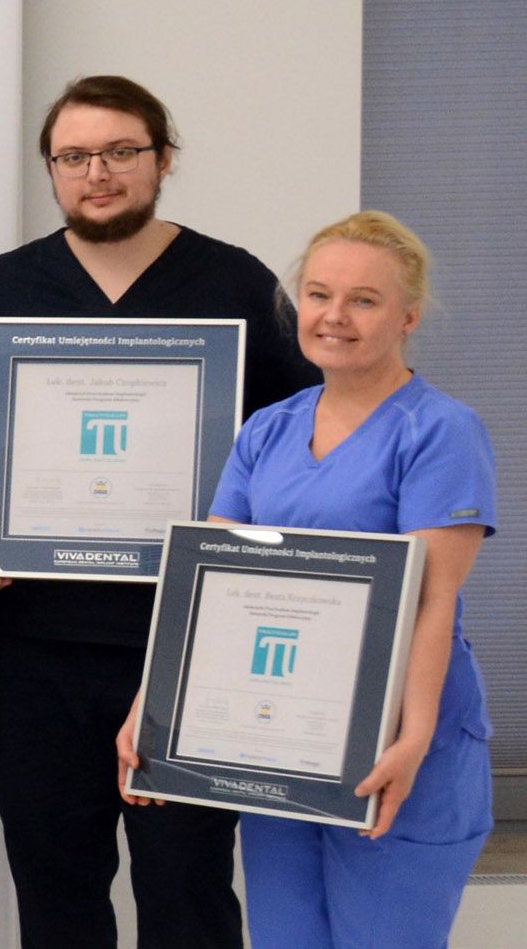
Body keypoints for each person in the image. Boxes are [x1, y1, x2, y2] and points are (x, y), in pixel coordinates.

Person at [0, 75, 316, 949]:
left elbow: (302, 446)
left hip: (187, 645)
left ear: (164, 158)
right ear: (50, 168)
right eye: (74, 156)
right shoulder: (2, 289)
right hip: (28, 643)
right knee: (54, 886)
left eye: (120, 151)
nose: (97, 173)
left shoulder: (236, 285)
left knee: (187, 889)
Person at [121, 212, 495, 949]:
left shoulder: (440, 431)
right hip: (282, 740)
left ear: (409, 316)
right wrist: (151, 709)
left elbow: (433, 598)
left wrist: (414, 738)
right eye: (320, 294)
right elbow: (208, 583)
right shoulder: (268, 429)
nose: (335, 315)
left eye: (364, 299)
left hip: (397, 741)